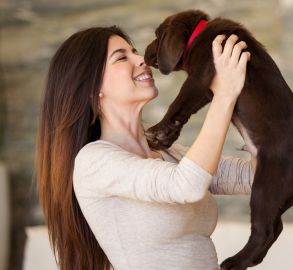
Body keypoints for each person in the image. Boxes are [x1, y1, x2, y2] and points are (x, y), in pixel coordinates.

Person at [36, 25, 255, 270]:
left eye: (135, 52)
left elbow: (254, 176)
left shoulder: (170, 154)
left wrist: (248, 96)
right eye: (121, 57)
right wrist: (224, 94)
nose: (142, 59)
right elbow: (186, 185)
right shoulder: (93, 162)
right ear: (92, 87)